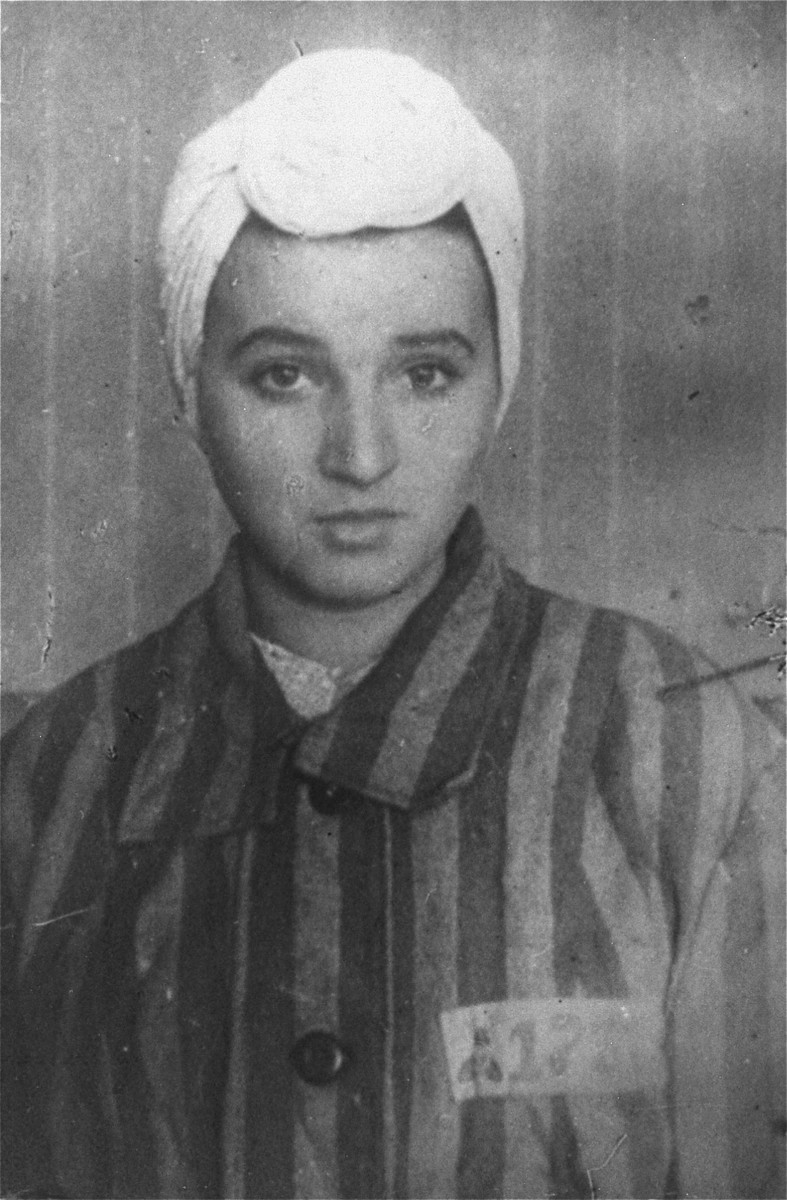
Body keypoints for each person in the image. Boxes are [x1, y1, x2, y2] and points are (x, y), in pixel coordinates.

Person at [1, 48, 784, 1200]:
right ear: (187, 386)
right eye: (283, 376)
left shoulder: (695, 762)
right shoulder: (44, 785)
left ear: (498, 380)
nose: (359, 455)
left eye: (423, 373)